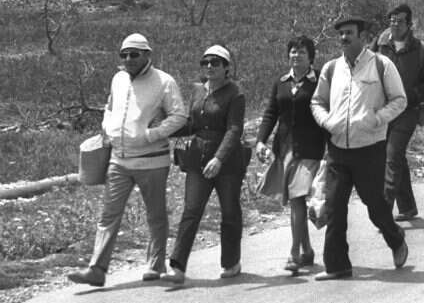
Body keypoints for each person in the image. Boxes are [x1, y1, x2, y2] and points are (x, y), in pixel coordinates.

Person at [68, 34, 187, 288]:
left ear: (147, 54)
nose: (128, 59)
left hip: (152, 161)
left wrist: (151, 134)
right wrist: (107, 126)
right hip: (118, 160)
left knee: (155, 214)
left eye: (134, 54)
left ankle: (155, 264)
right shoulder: (118, 79)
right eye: (124, 54)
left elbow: (179, 116)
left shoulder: (164, 82)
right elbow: (110, 107)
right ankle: (97, 269)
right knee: (108, 215)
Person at [310, 13, 409, 280]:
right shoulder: (332, 69)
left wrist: (376, 119)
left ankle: (395, 238)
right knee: (334, 207)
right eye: (340, 34)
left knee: (375, 205)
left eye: (349, 33)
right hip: (338, 149)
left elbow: (400, 100)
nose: (343, 38)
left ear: (362, 37)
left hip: (369, 149)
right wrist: (326, 121)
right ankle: (337, 265)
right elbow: (316, 102)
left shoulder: (381, 65)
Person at [163, 44, 248, 284]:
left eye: (215, 62)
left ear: (226, 67)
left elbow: (234, 129)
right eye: (205, 62)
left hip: (227, 162)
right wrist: (164, 130)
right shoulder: (198, 90)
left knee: (229, 211)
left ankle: (231, 262)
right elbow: (193, 124)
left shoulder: (235, 93)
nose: (209, 66)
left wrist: (219, 158)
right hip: (198, 159)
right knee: (191, 210)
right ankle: (177, 266)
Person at [255, 36, 326, 273]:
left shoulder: (319, 81)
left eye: (302, 52)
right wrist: (260, 141)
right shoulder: (281, 82)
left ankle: (294, 253)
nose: (296, 56)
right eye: (293, 52)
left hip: (310, 150)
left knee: (296, 198)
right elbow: (270, 113)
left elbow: (327, 112)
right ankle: (307, 251)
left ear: (311, 57)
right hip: (285, 150)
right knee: (295, 201)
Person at [372, 4, 424, 221]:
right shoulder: (380, 45)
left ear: (409, 24)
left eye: (399, 20)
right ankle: (408, 207)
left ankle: (384, 210)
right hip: (383, 110)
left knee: (391, 157)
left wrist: (412, 95)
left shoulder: (422, 49)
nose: (394, 23)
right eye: (391, 19)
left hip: (408, 111)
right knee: (395, 156)